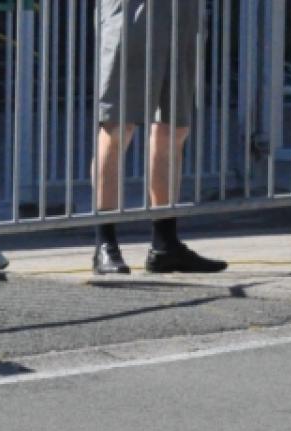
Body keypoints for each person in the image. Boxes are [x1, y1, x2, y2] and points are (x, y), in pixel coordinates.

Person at [92, 0, 226, 275]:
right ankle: (105, 243)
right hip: (132, 10)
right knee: (118, 125)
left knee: (174, 128)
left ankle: (165, 244)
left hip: (183, 11)